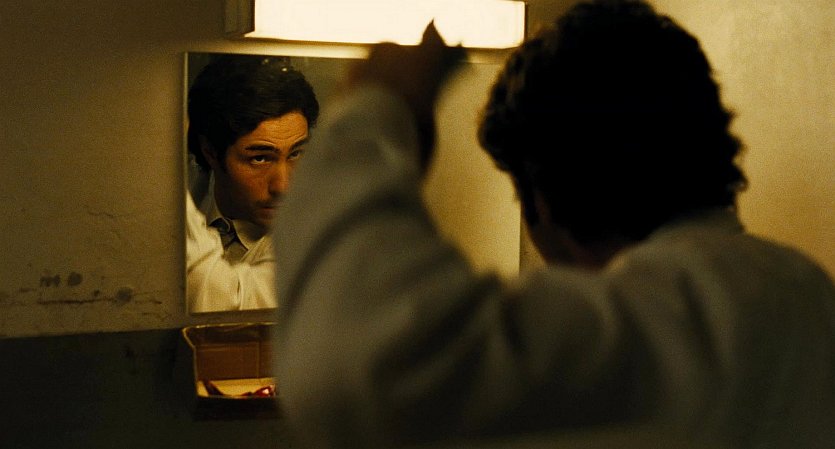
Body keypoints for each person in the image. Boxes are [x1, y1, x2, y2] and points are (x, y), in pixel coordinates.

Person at [271, 1, 835, 448]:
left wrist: (378, 105)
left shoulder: (662, 321)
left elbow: (356, 366)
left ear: (539, 197)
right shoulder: (805, 292)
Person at [185, 54, 319, 312]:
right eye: (260, 158)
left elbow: (219, 302)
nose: (283, 186)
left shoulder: (314, 240)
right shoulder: (182, 192)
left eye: (296, 153)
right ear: (210, 152)